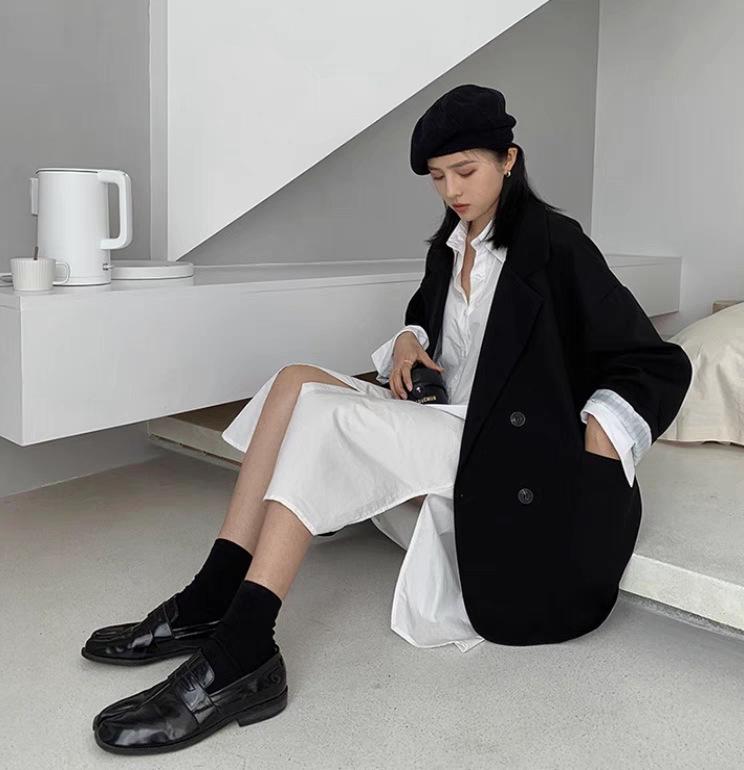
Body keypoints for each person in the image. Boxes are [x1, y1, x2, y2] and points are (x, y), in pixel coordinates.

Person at [83, 84, 691, 755]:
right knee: (294, 383)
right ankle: (211, 594)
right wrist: (408, 340)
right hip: (444, 417)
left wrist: (600, 438)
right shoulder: (451, 245)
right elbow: (431, 317)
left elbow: (655, 361)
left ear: (509, 159)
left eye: (466, 171)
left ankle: (244, 648)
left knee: (326, 419)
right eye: (437, 177)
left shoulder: (556, 246)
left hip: (501, 445)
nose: (452, 190)